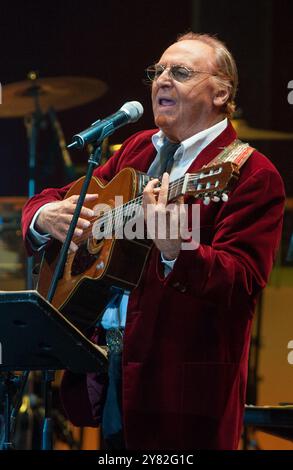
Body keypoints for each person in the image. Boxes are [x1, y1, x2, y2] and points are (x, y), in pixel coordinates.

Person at [22, 32, 285, 450]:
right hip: (109, 374)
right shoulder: (137, 148)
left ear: (222, 93)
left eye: (180, 72)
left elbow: (243, 281)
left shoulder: (252, 173)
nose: (162, 80)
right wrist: (42, 216)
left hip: (181, 392)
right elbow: (59, 196)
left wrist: (177, 251)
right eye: (157, 70)